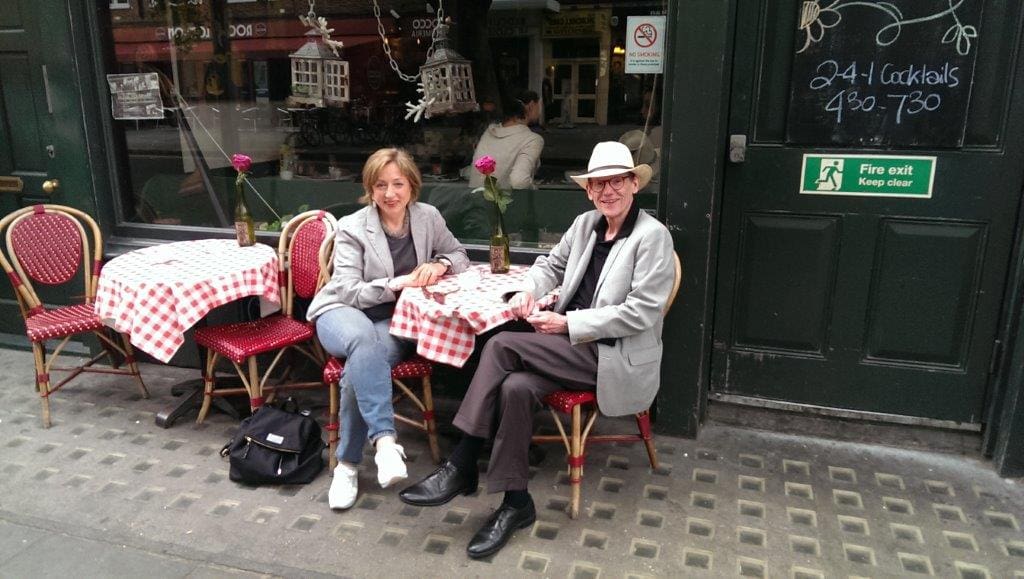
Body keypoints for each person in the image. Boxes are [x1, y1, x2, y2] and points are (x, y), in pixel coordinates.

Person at [399, 141, 675, 559]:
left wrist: (569, 323)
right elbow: (550, 266)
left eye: (617, 181)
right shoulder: (586, 225)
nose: (608, 191)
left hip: (611, 355)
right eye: (599, 184)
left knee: (502, 344)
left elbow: (640, 313)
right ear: (588, 190)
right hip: (568, 347)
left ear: (634, 183)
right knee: (516, 388)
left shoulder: (653, 237)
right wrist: (527, 293)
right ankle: (516, 502)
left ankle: (462, 461)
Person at [308, 148, 470, 511]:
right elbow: (348, 289)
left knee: (361, 363)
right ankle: (384, 442)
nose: (390, 193)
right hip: (342, 312)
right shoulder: (353, 226)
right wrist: (400, 283)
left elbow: (459, 254)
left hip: (395, 321)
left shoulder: (428, 217)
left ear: (412, 185)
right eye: (380, 185)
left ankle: (347, 466)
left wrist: (440, 265)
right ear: (370, 188)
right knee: (364, 341)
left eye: (398, 184)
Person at [466, 89, 543, 190]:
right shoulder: (532, 140)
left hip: (476, 199)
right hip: (502, 203)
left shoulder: (488, 133)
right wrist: (534, 190)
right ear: (531, 105)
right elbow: (519, 181)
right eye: (540, 105)